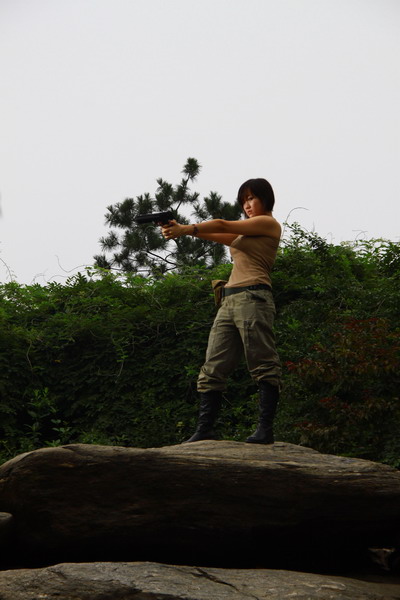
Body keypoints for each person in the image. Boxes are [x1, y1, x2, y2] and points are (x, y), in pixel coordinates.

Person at [161, 178, 282, 444]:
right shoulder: (246, 234)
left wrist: (186, 228)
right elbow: (219, 234)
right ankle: (205, 430)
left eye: (251, 198)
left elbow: (223, 225)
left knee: (263, 364)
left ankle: (265, 430)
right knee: (212, 366)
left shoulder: (268, 223)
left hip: (253, 297)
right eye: (243, 200)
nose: (247, 205)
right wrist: (183, 230)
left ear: (265, 198)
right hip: (229, 301)